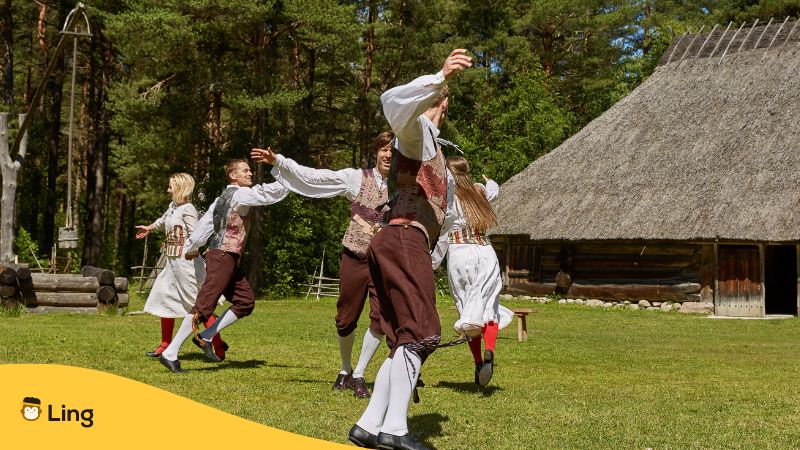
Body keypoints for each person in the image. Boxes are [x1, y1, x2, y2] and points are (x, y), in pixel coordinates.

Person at [348, 49, 472, 450]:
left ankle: (369, 424)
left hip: (401, 241)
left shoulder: (433, 148)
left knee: (405, 337)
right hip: (401, 237)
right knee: (423, 334)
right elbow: (391, 103)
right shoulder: (415, 131)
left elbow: (446, 219)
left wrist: (430, 262)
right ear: (443, 102)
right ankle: (396, 429)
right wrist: (439, 75)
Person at [250, 132, 394, 399]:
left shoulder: (402, 186)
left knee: (381, 317)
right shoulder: (356, 178)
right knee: (345, 318)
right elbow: (314, 176)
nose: (388, 155)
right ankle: (345, 369)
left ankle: (360, 373)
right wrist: (278, 160)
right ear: (376, 152)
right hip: (355, 255)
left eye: (393, 151)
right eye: (384, 150)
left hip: (384, 261)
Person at [157, 159, 289, 373]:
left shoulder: (221, 198)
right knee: (203, 305)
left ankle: (207, 336)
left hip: (225, 257)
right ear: (232, 175)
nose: (250, 174)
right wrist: (290, 177)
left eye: (249, 170)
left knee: (245, 301)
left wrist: (192, 247)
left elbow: (206, 224)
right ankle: (170, 352)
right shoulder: (241, 194)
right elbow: (268, 194)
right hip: (222, 256)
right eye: (245, 171)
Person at [431, 156, 513, 387]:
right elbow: (493, 190)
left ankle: (478, 363)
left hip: (460, 254)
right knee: (489, 306)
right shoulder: (478, 192)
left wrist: (431, 263)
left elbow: (443, 235)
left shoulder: (447, 199)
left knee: (468, 307)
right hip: (486, 252)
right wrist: (491, 182)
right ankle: (489, 349)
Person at [135, 173, 226, 360]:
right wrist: (149, 228)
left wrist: (187, 248)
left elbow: (196, 235)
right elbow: (162, 221)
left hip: (187, 264)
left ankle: (218, 344)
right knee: (165, 299)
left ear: (180, 188)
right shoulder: (173, 206)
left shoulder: (188, 209)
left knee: (199, 305)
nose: (168, 189)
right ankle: (165, 344)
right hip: (172, 263)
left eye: (170, 186)